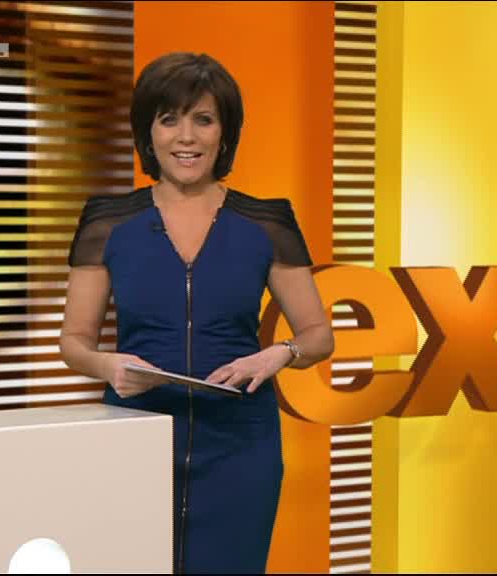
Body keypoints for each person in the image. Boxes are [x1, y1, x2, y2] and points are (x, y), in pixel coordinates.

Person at [59, 52, 335, 574]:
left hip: (241, 446)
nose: (186, 137)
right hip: (135, 438)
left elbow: (319, 335)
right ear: (148, 131)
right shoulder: (107, 223)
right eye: (169, 120)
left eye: (203, 120)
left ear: (223, 133)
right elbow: (74, 341)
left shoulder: (266, 222)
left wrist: (278, 354)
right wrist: (108, 366)